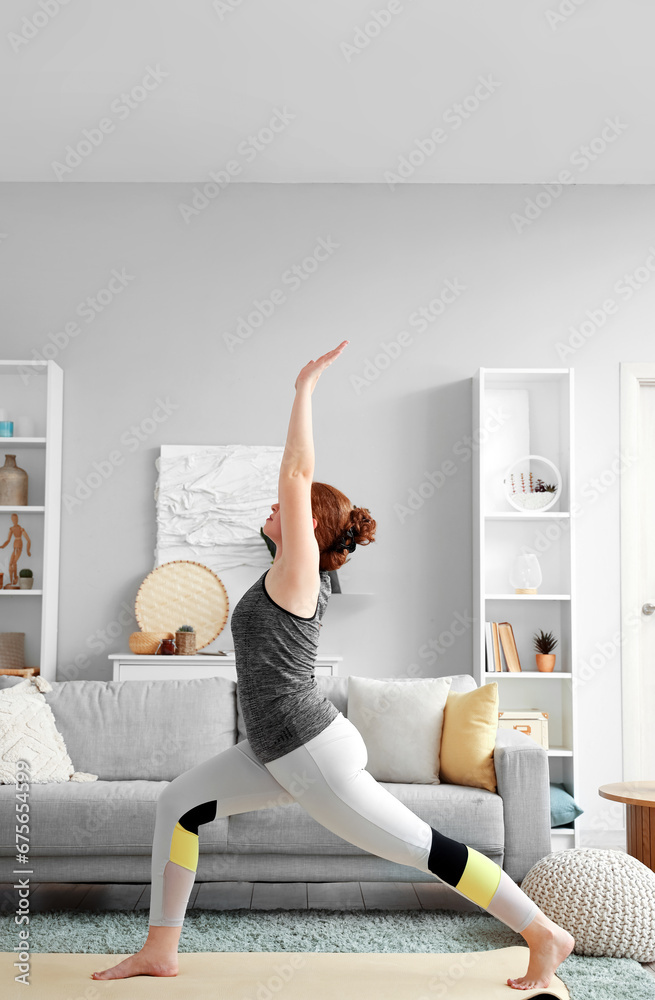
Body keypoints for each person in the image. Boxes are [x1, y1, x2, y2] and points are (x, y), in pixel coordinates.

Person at [92, 341, 574, 989]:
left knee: (421, 849)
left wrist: (305, 390)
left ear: (307, 523)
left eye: (280, 507)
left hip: (312, 749)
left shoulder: (300, 574)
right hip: (272, 747)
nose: (269, 508)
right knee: (178, 806)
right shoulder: (283, 573)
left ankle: (543, 932)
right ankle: (160, 948)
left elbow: (294, 475)